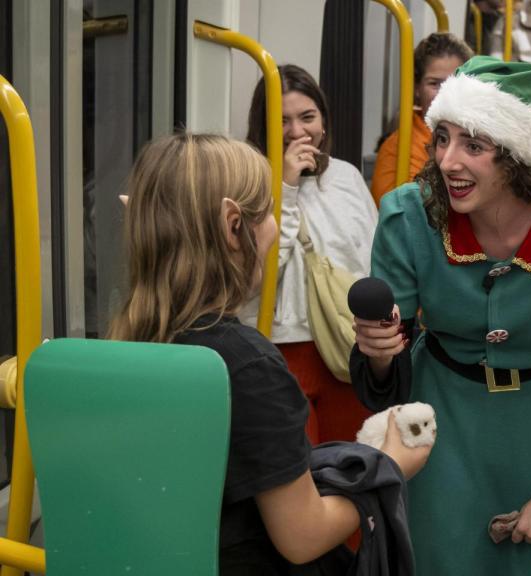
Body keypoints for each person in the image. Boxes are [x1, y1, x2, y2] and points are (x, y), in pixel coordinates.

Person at [351, 56, 531, 575]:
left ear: (519, 155)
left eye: (473, 145)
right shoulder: (407, 216)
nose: (446, 160)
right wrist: (376, 356)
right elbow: (390, 386)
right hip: (443, 436)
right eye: (442, 137)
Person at [108, 133, 430, 574]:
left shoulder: (124, 342)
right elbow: (302, 536)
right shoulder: (246, 365)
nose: (275, 227)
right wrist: (391, 463)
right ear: (232, 226)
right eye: (267, 211)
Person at [243, 64, 377, 445]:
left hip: (344, 341)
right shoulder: (249, 181)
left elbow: (368, 256)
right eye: (282, 121)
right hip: (281, 346)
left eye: (307, 117)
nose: (298, 132)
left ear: (323, 120)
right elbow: (258, 275)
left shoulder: (347, 176)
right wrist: (284, 186)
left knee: (351, 462)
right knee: (299, 471)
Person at [371, 33, 474, 206]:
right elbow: (391, 215)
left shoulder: (482, 137)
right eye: (435, 84)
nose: (446, 92)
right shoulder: (397, 147)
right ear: (417, 88)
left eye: (455, 82)